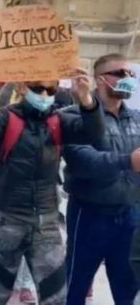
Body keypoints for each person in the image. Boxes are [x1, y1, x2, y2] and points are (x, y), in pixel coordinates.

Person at [0, 69, 101, 305]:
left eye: (50, 89)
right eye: (38, 88)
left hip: (47, 224)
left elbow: (95, 136)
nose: (44, 94)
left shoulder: (58, 121)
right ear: (23, 88)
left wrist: (86, 100)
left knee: (56, 298)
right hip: (6, 221)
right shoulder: (6, 117)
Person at [64, 53, 140, 305]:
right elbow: (83, 162)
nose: (126, 78)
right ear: (99, 80)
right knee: (76, 285)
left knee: (127, 286)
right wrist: (127, 161)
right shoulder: (73, 116)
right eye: (119, 74)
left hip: (129, 215)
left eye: (129, 74)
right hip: (89, 215)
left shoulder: (137, 119)